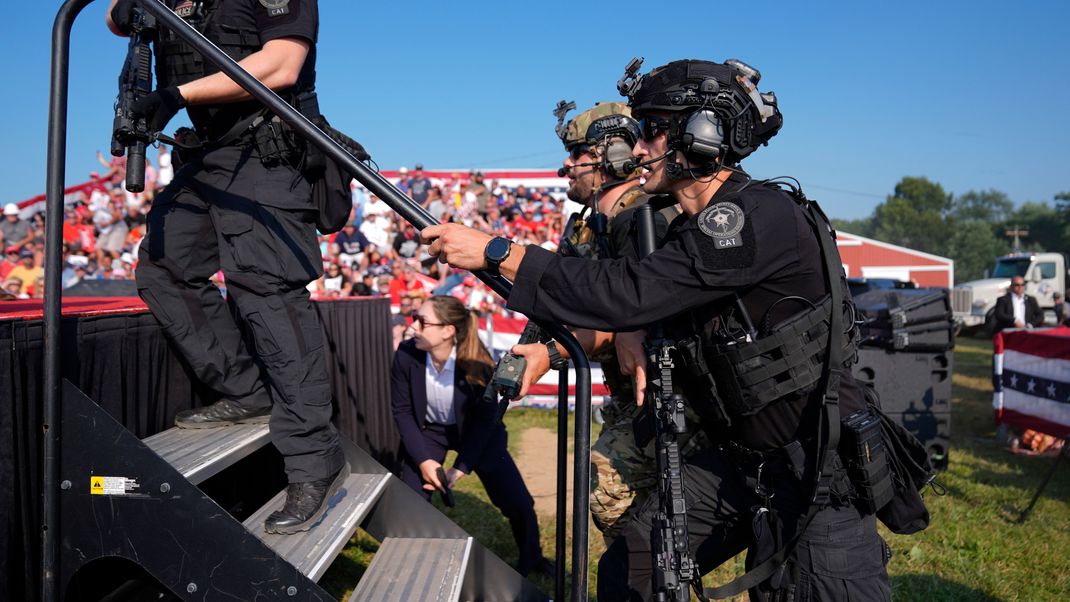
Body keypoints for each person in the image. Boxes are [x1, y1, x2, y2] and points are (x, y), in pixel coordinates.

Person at [423, 58, 891, 600]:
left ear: (702, 135)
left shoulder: (751, 217)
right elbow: (627, 294)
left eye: (651, 131)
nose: (639, 148)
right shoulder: (687, 229)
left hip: (815, 470)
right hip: (744, 465)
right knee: (632, 568)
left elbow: (627, 291)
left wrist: (497, 251)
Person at [107, 0, 347, 534]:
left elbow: (281, 64)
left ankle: (314, 461)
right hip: (207, 155)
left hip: (268, 147)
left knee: (267, 294)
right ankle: (247, 391)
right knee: (164, 270)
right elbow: (115, 17)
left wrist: (174, 96)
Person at [504, 100, 706, 545]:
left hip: (672, 392)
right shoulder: (590, 224)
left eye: (577, 154)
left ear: (611, 157)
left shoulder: (644, 215)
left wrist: (548, 354)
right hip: (630, 393)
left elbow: (633, 310)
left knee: (612, 494)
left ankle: (645, 574)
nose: (567, 164)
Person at [390, 296, 551, 576]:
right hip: (431, 432)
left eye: (422, 321)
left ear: (448, 330)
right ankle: (415, 563)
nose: (413, 326)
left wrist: (461, 467)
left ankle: (532, 558)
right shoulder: (406, 354)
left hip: (478, 436)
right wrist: (424, 460)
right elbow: (402, 411)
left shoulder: (479, 364)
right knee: (411, 497)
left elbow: (485, 424)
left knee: (518, 502)